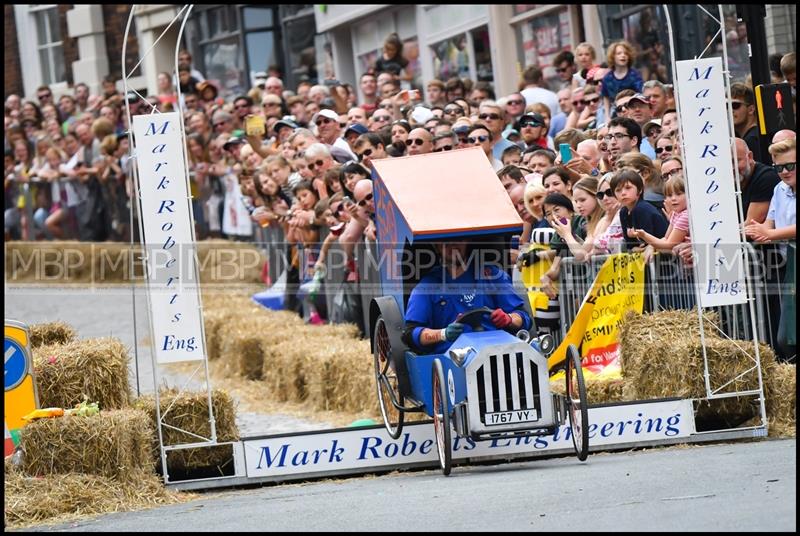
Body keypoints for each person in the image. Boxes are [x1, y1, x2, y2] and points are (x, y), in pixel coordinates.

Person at [402, 239, 532, 355]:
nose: (452, 244)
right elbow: (410, 334)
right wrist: (443, 334)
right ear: (436, 246)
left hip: (499, 353)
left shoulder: (492, 275)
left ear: (467, 241)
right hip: (451, 361)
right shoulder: (426, 286)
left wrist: (508, 318)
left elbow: (523, 316)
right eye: (444, 241)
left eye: (458, 239)